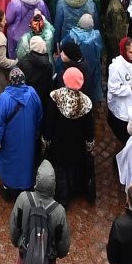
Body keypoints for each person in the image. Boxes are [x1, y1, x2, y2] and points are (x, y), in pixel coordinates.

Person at [0, 67, 44, 200]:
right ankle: (26, 187)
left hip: (10, 141)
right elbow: (39, 116)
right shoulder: (32, 93)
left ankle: (9, 191)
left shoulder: (4, 98)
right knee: (27, 160)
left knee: (10, 163)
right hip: (28, 138)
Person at [43, 66, 96, 205]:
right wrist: (89, 143)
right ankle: (73, 190)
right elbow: (89, 127)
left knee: (59, 168)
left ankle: (63, 196)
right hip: (77, 143)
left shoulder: (55, 97)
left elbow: (49, 121)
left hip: (58, 142)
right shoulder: (86, 102)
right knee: (73, 167)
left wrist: (46, 139)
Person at [9, 159, 72, 264]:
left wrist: (17, 243)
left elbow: (14, 228)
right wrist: (57, 254)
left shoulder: (23, 199)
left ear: (37, 180)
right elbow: (63, 245)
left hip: (25, 254)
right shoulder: (59, 211)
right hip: (48, 261)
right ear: (54, 184)